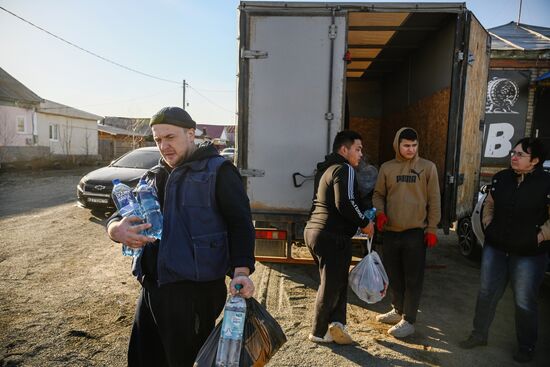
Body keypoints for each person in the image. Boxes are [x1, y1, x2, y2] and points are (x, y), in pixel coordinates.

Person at [106, 107, 256, 367]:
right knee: (144, 360)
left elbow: (240, 224)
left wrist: (241, 271)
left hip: (194, 294)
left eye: (170, 137)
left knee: (186, 361)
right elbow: (119, 213)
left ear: (191, 134)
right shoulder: (152, 176)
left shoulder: (218, 171)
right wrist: (116, 230)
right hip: (152, 287)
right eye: (157, 140)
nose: (163, 146)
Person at [459, 137, 550, 363]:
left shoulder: (546, 183)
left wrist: (539, 237)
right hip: (496, 248)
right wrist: (489, 226)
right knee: (487, 293)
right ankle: (478, 334)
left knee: (524, 300)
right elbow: (489, 204)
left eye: (520, 154)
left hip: (529, 255)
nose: (514, 157)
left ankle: (526, 346)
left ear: (535, 161)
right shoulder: (502, 178)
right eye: (513, 152)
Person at [304, 130, 374, 345]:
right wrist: (365, 223)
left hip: (314, 232)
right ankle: (319, 331)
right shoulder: (345, 169)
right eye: (358, 149)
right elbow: (345, 203)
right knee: (332, 284)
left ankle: (336, 325)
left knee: (335, 281)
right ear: (344, 150)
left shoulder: (326, 169)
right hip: (331, 235)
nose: (361, 154)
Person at [372, 127, 441, 338]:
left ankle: (409, 320)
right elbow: (378, 195)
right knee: (394, 276)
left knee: (413, 279)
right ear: (397, 145)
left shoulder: (428, 167)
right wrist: (380, 214)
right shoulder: (387, 168)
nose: (410, 149)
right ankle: (398, 310)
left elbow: (434, 199)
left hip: (415, 233)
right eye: (406, 145)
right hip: (391, 232)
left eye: (414, 145)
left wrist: (431, 228)